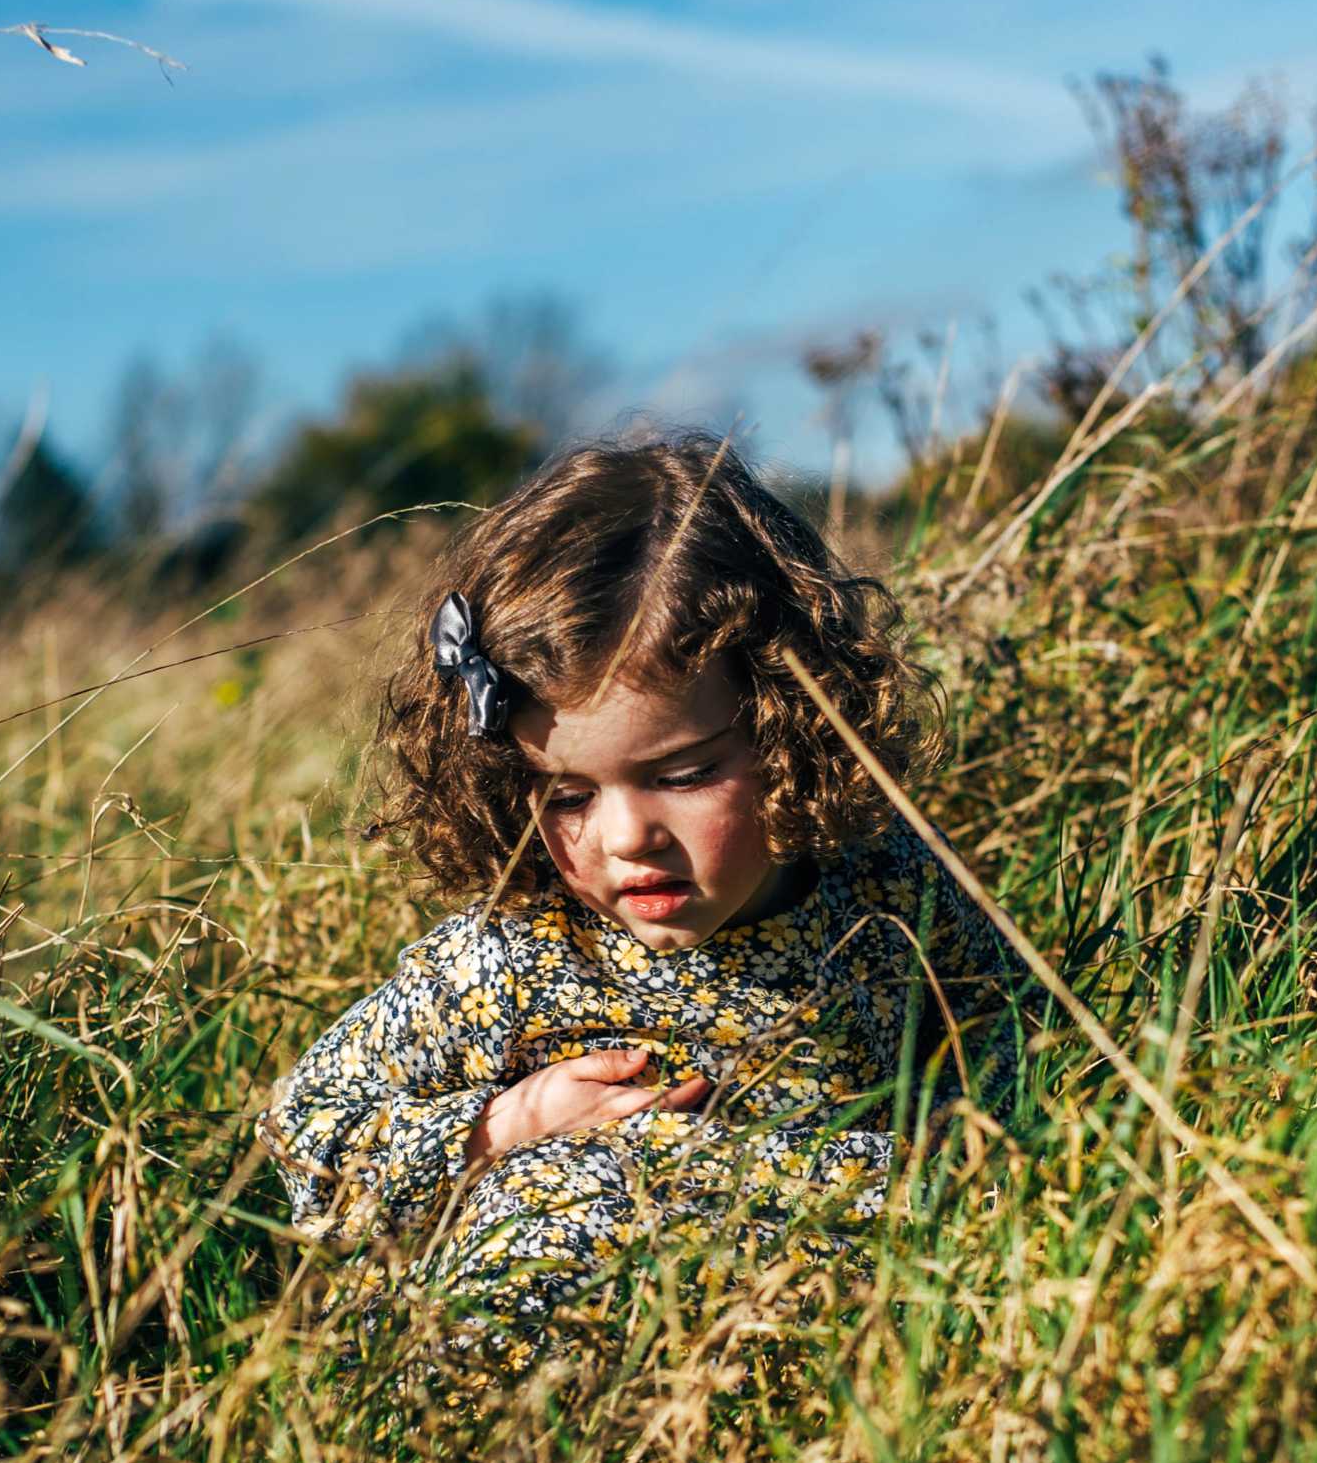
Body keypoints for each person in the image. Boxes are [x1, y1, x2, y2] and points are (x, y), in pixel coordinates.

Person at [257, 432, 1015, 1373]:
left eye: (686, 774)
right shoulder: (515, 957)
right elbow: (305, 1127)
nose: (626, 838)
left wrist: (957, 1157)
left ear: (793, 732)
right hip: (521, 1347)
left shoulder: (884, 883)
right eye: (566, 796)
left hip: (811, 1317)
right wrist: (505, 1128)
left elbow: (999, 1031)